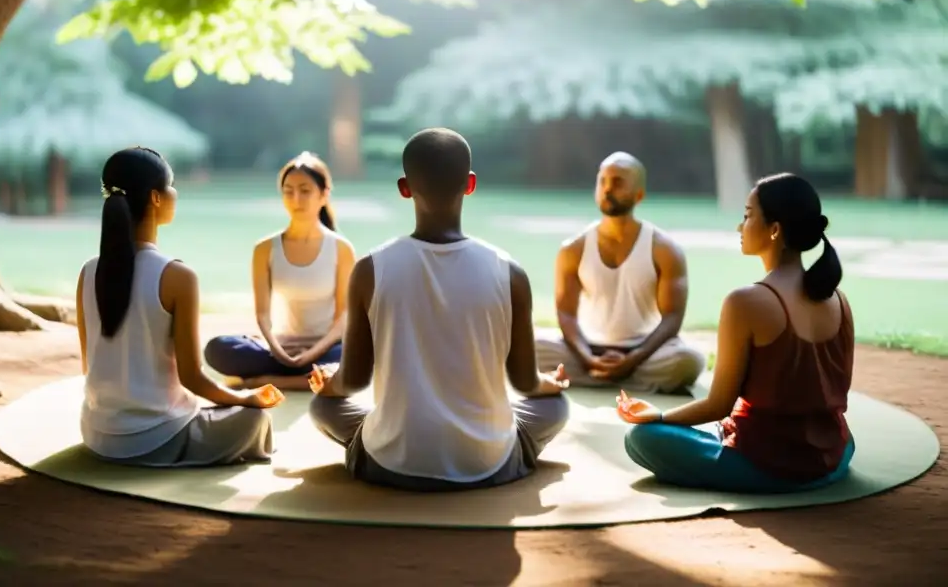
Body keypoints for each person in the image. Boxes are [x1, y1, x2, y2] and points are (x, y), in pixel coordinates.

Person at [308, 128, 571, 491]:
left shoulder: (370, 269)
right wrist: (550, 384)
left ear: (404, 187)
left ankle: (386, 448)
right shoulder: (509, 272)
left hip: (391, 462)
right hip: (486, 461)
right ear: (471, 184)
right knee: (556, 407)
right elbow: (525, 383)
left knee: (322, 409)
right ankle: (504, 454)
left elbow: (353, 381)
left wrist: (329, 386)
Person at [617, 173, 855, 494]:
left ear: (774, 230)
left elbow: (718, 405)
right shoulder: (839, 299)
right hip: (833, 455)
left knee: (641, 438)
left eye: (746, 216)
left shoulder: (745, 302)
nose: (738, 226)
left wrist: (657, 416)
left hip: (772, 467)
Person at [77, 147, 283, 468]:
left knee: (222, 411)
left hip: (97, 433)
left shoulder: (88, 271)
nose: (176, 193)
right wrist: (246, 399)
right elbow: (193, 378)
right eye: (172, 185)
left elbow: (88, 365)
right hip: (155, 440)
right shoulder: (177, 276)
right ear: (157, 198)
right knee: (255, 419)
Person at [536, 152, 705, 393]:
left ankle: (600, 378)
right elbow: (566, 314)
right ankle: (617, 377)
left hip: (645, 351)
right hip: (586, 349)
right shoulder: (573, 249)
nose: (607, 189)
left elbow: (672, 318)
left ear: (639, 195)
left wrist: (633, 359)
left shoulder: (665, 249)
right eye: (602, 180)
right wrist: (588, 358)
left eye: (617, 182)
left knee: (688, 360)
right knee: (528, 348)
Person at [203, 152, 356, 391]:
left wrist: (309, 355)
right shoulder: (265, 249)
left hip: (327, 349)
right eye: (288, 190)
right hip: (278, 349)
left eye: (305, 190)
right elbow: (263, 315)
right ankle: (310, 380)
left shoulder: (341, 249)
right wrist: (278, 350)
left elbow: (342, 320)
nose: (296, 198)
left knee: (362, 352)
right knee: (218, 348)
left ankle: (266, 381)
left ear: (324, 195)